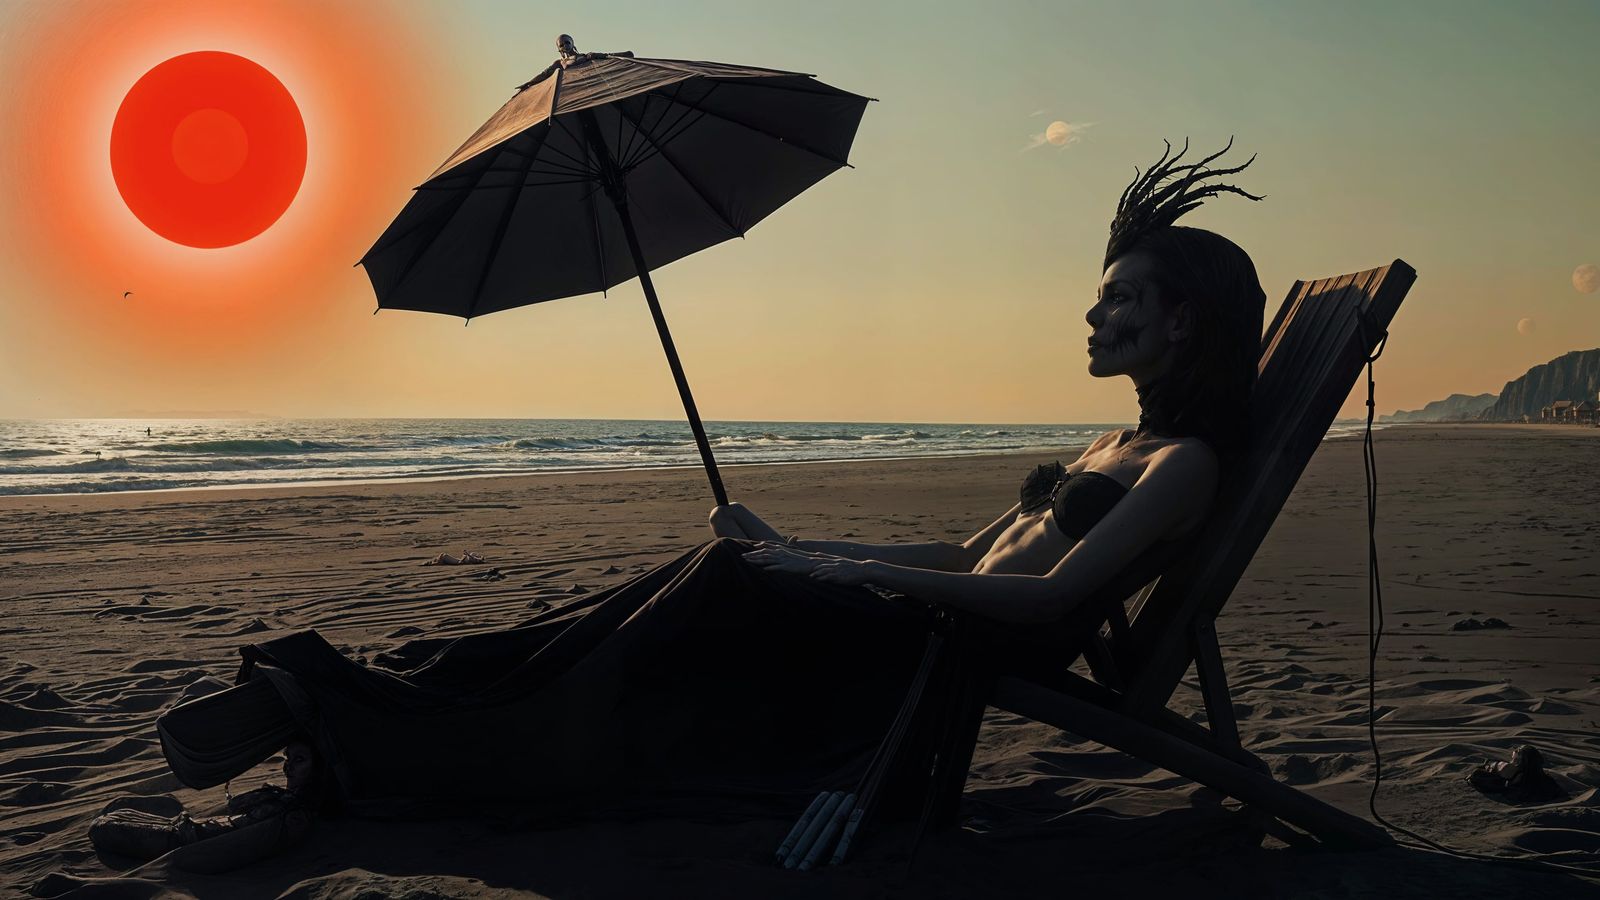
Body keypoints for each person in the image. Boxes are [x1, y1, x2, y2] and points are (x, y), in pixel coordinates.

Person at [154, 139, 1267, 831]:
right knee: (703, 579)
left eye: (1122, 297)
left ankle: (352, 703)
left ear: (1183, 321)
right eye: (1100, 294)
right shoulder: (1111, 445)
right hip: (908, 622)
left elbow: (1043, 598)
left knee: (684, 612)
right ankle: (380, 687)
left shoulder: (1185, 466)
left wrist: (837, 578)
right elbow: (961, 557)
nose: (1094, 313)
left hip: (920, 656)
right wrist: (802, 547)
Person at [90, 737, 323, 872]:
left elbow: (240, 839)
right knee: (116, 813)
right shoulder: (285, 801)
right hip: (190, 829)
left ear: (318, 769)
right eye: (287, 758)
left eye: (299, 760)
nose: (287, 767)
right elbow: (238, 808)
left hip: (186, 841)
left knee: (102, 828)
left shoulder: (292, 814)